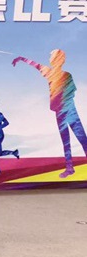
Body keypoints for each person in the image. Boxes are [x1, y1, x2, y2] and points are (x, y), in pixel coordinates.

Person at [13, 49, 87, 178]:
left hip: (69, 111)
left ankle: (70, 167)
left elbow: (71, 92)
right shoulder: (49, 72)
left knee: (82, 138)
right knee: (66, 141)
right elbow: (36, 65)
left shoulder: (66, 75)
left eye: (52, 57)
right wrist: (21, 59)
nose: (50, 59)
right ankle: (69, 168)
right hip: (60, 112)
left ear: (58, 60)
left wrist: (62, 102)